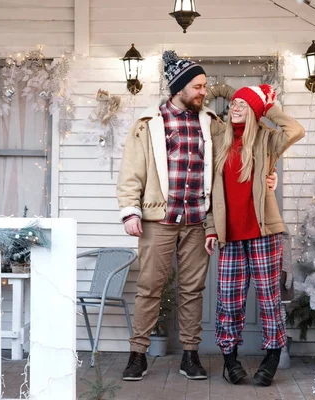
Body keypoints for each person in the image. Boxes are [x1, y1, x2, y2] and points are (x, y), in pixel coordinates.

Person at [116, 51, 277, 381]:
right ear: (179, 88)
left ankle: (190, 355)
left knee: (193, 290)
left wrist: (267, 175)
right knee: (149, 287)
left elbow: (238, 157)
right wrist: (130, 211)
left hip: (196, 221)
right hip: (157, 220)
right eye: (199, 86)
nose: (205, 92)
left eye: (205, 86)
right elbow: (131, 173)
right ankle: (137, 354)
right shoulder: (147, 125)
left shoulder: (212, 125)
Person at [204, 84, 305, 386]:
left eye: (243, 104)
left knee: (268, 299)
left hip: (264, 234)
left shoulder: (267, 139)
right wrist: (211, 229)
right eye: (234, 102)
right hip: (230, 235)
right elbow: (211, 191)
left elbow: (296, 129)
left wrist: (268, 108)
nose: (235, 107)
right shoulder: (217, 137)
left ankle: (272, 356)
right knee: (229, 301)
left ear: (254, 111)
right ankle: (230, 360)